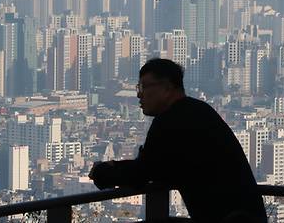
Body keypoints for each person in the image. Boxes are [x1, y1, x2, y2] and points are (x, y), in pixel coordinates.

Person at [89, 58, 267, 223]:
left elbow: (143, 171)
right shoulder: (199, 110)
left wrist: (104, 173)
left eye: (143, 87)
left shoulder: (169, 121)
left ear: (166, 88)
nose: (139, 95)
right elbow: (158, 166)